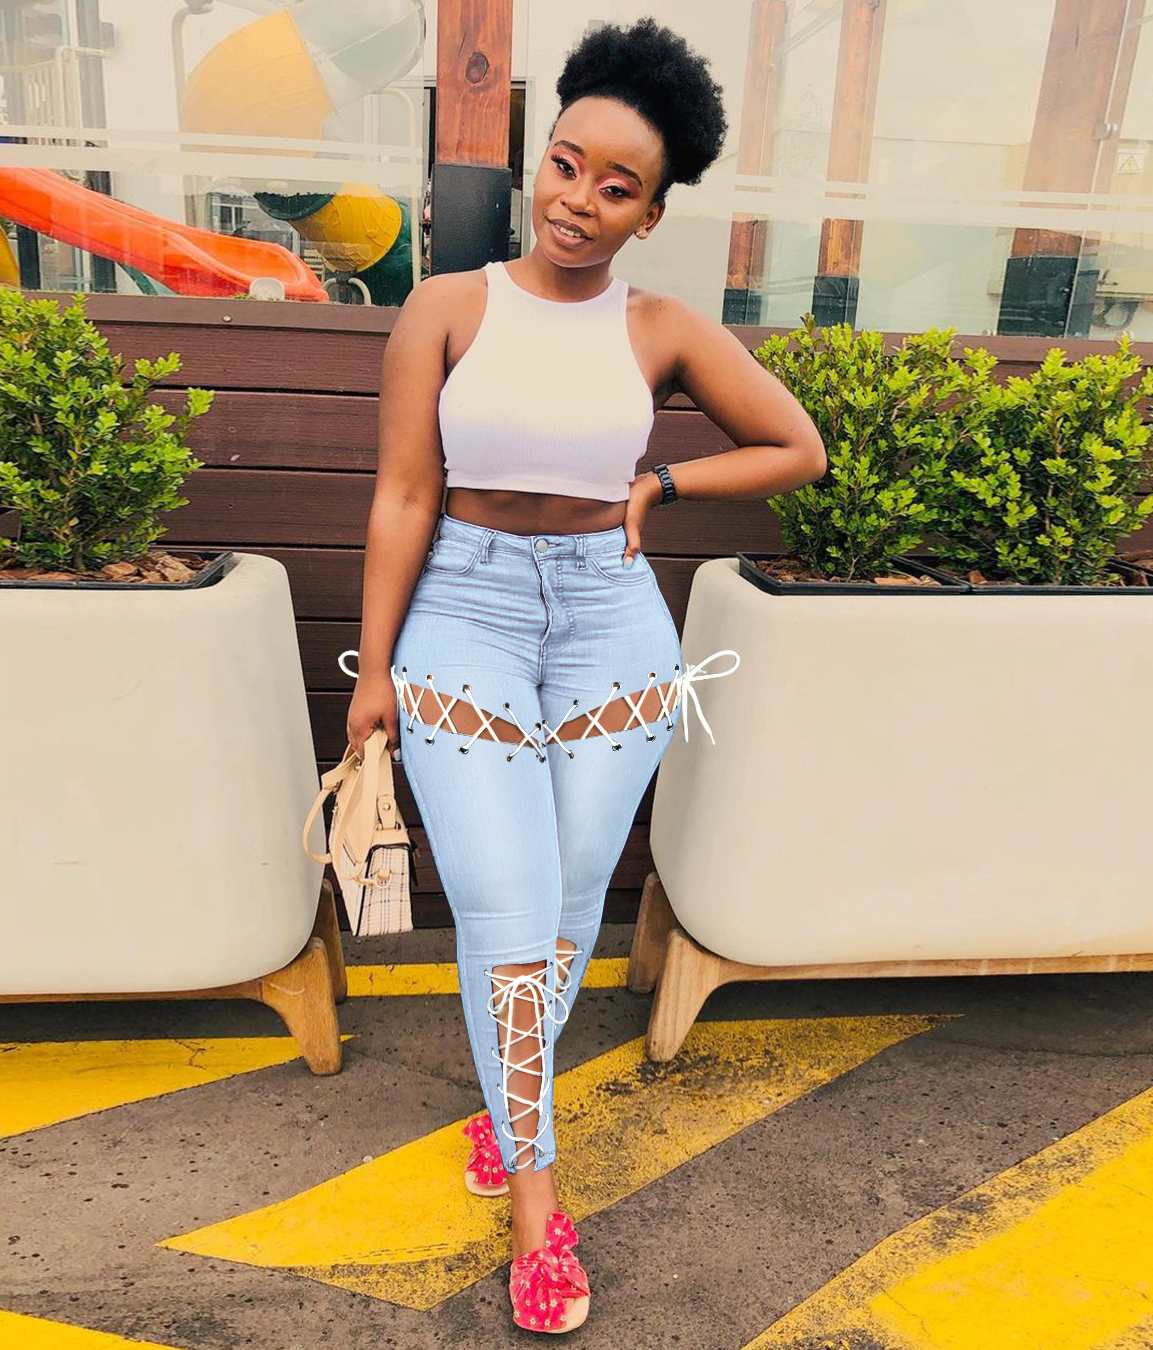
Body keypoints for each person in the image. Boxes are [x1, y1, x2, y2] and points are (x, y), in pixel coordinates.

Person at [344, 16, 824, 1335]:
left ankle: (509, 1114)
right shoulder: (446, 308)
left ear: (649, 214)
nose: (577, 200)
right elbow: (402, 496)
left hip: (613, 624)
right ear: (538, 163)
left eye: (616, 187)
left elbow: (795, 446)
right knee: (502, 900)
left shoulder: (661, 327)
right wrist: (374, 668)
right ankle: (536, 1199)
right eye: (565, 165)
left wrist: (663, 481)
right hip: (465, 612)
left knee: (561, 905)